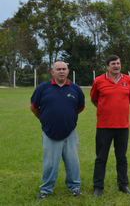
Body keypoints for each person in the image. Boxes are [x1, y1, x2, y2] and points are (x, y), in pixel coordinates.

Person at [30, 61, 85, 199]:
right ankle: (46, 189)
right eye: (58, 69)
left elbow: (80, 107)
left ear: (68, 71)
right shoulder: (42, 88)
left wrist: (67, 119)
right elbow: (33, 107)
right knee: (49, 164)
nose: (61, 71)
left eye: (64, 69)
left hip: (70, 133)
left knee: (73, 162)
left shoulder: (75, 89)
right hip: (50, 132)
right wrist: (45, 120)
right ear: (52, 72)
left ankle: (74, 187)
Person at [90, 55, 130, 196]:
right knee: (101, 158)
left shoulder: (128, 80)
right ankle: (98, 187)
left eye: (118, 63)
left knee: (122, 157)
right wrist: (106, 109)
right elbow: (94, 99)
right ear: (107, 66)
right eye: (113, 64)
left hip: (123, 126)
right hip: (104, 126)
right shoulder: (98, 81)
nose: (116, 66)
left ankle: (123, 185)